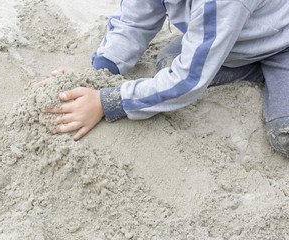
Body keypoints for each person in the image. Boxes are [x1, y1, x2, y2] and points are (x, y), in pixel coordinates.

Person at [39, 0, 289, 157]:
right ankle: (252, 68)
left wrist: (108, 102)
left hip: (283, 44)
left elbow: (187, 81)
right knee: (167, 62)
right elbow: (132, 24)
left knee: (284, 134)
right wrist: (96, 76)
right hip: (238, 40)